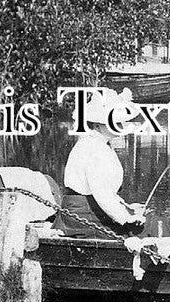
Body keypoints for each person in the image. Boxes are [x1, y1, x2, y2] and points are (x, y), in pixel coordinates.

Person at [57, 88, 146, 238]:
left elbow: (104, 191)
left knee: (149, 223)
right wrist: (125, 218)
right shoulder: (93, 148)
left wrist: (126, 207)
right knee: (145, 230)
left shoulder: (100, 144)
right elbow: (101, 193)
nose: (118, 124)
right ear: (97, 124)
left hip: (91, 209)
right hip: (82, 215)